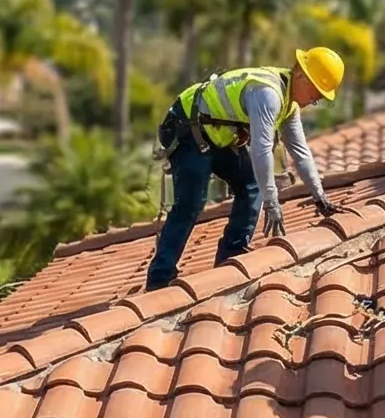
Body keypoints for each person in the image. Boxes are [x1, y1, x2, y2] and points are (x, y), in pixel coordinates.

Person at [145, 47, 344, 291]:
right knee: (191, 203)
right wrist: (272, 202)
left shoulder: (289, 106)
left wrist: (319, 196)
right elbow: (261, 150)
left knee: (250, 185)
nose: (314, 101)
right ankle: (159, 279)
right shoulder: (268, 94)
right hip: (187, 128)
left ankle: (231, 256)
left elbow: (300, 153)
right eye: (315, 93)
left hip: (216, 137)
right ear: (301, 76)